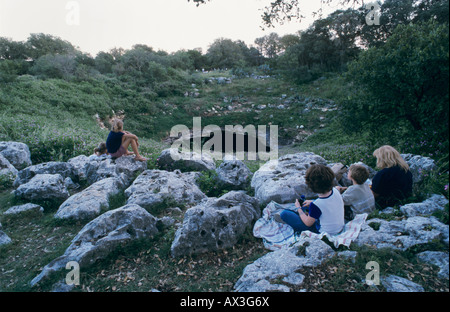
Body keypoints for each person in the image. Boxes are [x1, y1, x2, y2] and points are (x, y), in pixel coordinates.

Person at [276, 164, 345, 235]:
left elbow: (308, 223)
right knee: (306, 206)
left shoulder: (316, 205)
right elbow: (328, 201)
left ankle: (294, 215)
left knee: (284, 214)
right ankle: (300, 213)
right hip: (338, 227)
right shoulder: (336, 190)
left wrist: (298, 208)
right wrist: (313, 202)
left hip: (324, 232)